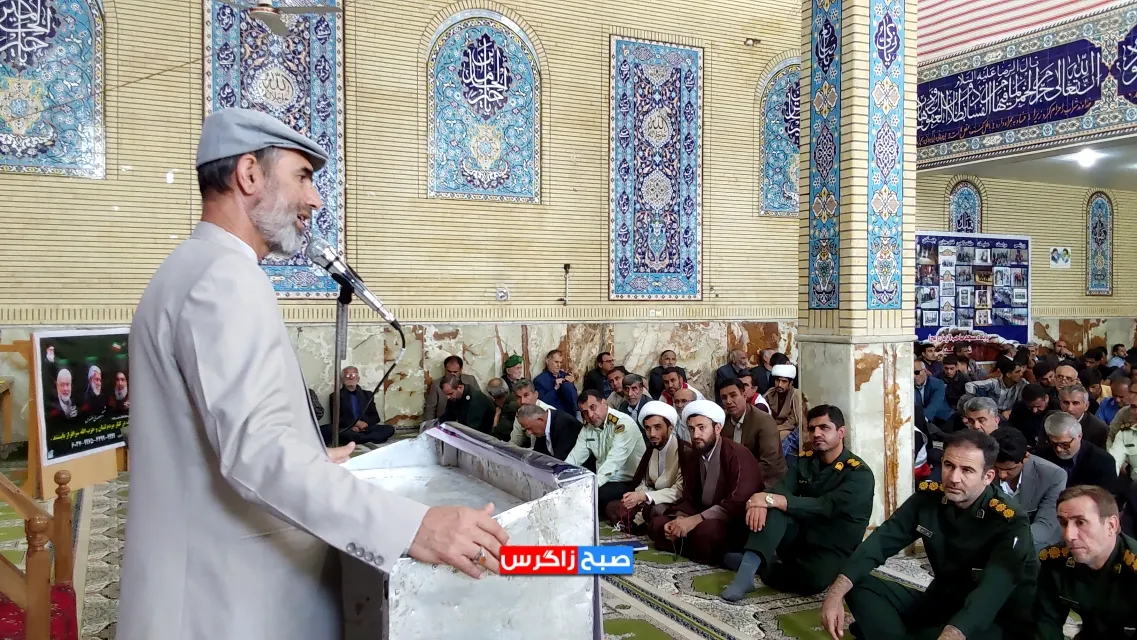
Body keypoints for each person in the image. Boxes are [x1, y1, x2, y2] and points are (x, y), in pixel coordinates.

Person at [120, 109, 509, 640]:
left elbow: (207, 435)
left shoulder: (188, 268)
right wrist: (414, 525)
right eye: (302, 176)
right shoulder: (224, 281)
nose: (315, 199)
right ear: (249, 174)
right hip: (228, 600)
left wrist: (307, 455)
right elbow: (256, 454)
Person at [820, 430, 1037, 640]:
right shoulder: (929, 498)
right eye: (949, 465)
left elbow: (991, 592)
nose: (954, 478)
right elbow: (881, 541)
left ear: (988, 476)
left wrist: (953, 633)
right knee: (856, 583)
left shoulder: (1009, 520)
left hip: (990, 617)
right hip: (942, 601)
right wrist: (835, 593)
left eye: (967, 470)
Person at [721, 405, 874, 601]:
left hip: (833, 546)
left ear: (841, 432)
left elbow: (826, 506)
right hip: (803, 537)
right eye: (812, 429)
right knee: (773, 507)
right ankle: (745, 576)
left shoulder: (859, 473)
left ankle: (760, 565)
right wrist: (762, 499)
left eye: (824, 428)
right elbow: (782, 488)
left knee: (813, 581)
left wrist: (774, 499)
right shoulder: (806, 461)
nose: (816, 434)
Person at [647, 400, 762, 566]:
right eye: (691, 429)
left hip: (730, 521)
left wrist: (695, 520)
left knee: (706, 533)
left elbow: (736, 503)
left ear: (717, 428)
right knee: (658, 525)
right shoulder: (694, 454)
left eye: (702, 428)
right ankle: (694, 546)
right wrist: (680, 519)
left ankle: (709, 551)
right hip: (700, 515)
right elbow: (689, 497)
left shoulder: (737, 455)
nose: (696, 435)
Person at [1033, 485, 1137, 639]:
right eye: (1063, 523)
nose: (1069, 536)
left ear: (1111, 526)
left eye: (1081, 522)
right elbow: (1047, 622)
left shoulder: (1133, 566)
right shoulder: (1056, 560)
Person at [605, 401, 687, 530]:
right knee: (613, 507)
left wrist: (645, 496)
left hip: (672, 503)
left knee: (656, 511)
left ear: (670, 428)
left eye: (657, 427)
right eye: (648, 428)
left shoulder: (684, 451)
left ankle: (642, 523)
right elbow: (643, 481)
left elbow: (679, 491)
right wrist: (638, 496)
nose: (652, 434)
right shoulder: (652, 449)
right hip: (649, 500)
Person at [567, 390, 646, 515]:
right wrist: (560, 477)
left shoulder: (622, 423)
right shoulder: (588, 428)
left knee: (589, 496)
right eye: (585, 412)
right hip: (605, 480)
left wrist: (592, 485)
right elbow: (574, 457)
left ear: (604, 403)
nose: (590, 415)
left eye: (593, 407)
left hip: (629, 481)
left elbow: (613, 462)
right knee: (575, 491)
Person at [991, 427, 1066, 552]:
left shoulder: (1053, 476)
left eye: (1010, 469)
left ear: (1026, 457)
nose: (1002, 475)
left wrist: (1009, 541)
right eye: (996, 468)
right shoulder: (982, 467)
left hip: (1035, 543)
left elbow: (1046, 524)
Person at [718, 378, 785, 488]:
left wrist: (739, 479)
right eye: (724, 398)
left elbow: (769, 463)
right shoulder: (722, 421)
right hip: (733, 479)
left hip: (767, 481)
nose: (728, 401)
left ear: (744, 395)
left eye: (733, 395)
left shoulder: (763, 420)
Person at [1039, 411, 1118, 494]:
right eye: (1053, 444)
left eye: (1065, 444)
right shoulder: (1042, 456)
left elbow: (1103, 498)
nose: (1058, 449)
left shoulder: (1103, 462)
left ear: (1079, 436)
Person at [326, 366, 395, 446]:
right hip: (348, 429)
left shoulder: (368, 395)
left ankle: (360, 439)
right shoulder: (335, 396)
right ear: (342, 379)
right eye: (347, 375)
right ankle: (369, 439)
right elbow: (335, 419)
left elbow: (375, 417)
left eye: (353, 375)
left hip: (366, 427)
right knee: (330, 430)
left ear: (358, 379)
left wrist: (363, 424)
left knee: (389, 429)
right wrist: (355, 424)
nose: (351, 377)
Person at [516, 403, 581, 461]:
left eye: (529, 428)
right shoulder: (541, 427)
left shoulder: (565, 425)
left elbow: (560, 460)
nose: (529, 433)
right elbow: (538, 454)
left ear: (540, 420)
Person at [764, 363, 803, 442]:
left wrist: (775, 429)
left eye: (784, 381)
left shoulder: (795, 394)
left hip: (788, 429)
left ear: (790, 383)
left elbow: (793, 421)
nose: (779, 384)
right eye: (777, 380)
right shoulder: (771, 392)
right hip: (772, 427)